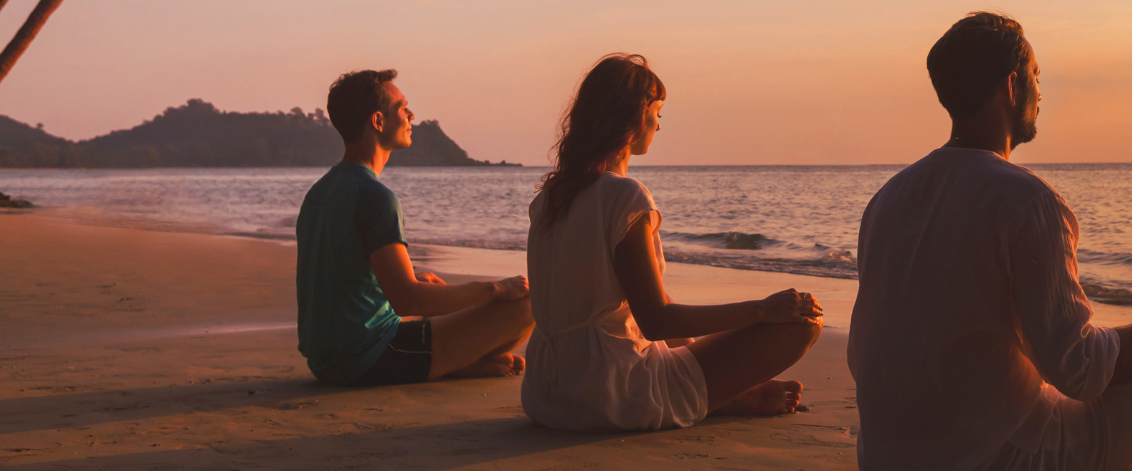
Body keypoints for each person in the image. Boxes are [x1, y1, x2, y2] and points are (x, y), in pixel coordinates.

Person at [848, 12, 1132, 471]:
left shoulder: (888, 198)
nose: (1041, 92)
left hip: (885, 457)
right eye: (1037, 77)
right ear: (1012, 87)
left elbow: (869, 356)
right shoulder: (1028, 200)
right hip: (995, 457)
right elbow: (1078, 368)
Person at [522, 54, 824, 431]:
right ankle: (720, 396)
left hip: (547, 394)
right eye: (658, 112)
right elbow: (656, 321)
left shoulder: (549, 198)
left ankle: (720, 392)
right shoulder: (625, 198)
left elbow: (640, 318)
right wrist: (762, 309)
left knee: (678, 351)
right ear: (634, 116)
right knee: (803, 322)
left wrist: (701, 355)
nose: (659, 126)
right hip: (610, 395)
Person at [296, 69, 536, 386]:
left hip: (326, 360)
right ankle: (455, 364)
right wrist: (494, 288)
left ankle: (460, 362)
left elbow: (341, 280)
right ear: (378, 122)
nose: (411, 115)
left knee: (431, 288)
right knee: (528, 304)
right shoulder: (375, 197)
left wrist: (410, 283)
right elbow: (408, 301)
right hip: (368, 358)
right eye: (402, 108)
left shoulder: (320, 192)